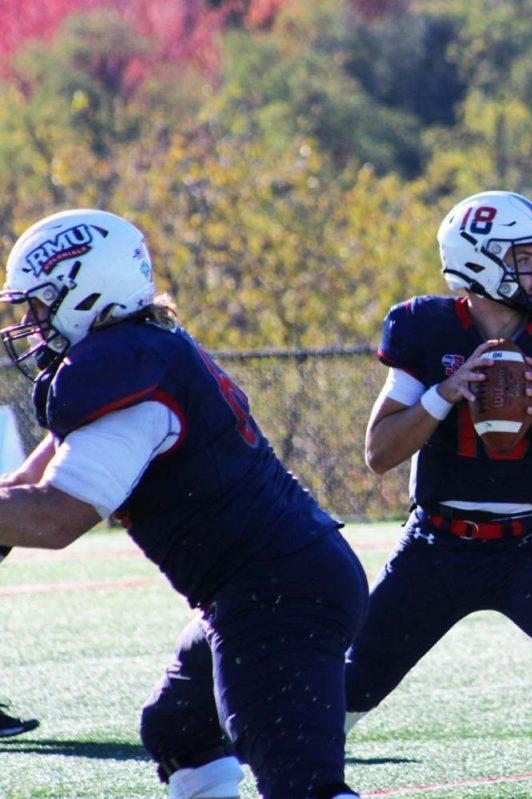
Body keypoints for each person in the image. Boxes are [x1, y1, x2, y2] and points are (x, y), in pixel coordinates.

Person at [0, 209, 367, 799]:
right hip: (273, 581)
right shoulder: (144, 348)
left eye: (39, 304)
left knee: (304, 787)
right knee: (178, 727)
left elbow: (57, 515)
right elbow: (31, 479)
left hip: (275, 593)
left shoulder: (126, 378)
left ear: (85, 290)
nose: (29, 321)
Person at [344, 190, 532, 799]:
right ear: (478, 262)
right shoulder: (425, 328)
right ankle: (290, 782)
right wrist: (444, 393)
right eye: (524, 256)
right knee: (349, 689)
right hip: (437, 546)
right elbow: (379, 452)